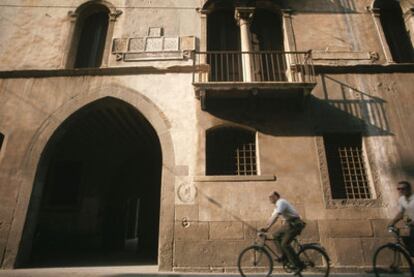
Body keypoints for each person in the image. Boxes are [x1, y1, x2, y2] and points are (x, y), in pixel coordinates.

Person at [261, 191, 306, 272]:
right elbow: (272, 217)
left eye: (271, 196)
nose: (270, 198)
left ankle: (298, 265)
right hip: (289, 224)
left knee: (285, 244)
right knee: (275, 235)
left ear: (276, 196)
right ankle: (284, 256)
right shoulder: (277, 206)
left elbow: (277, 215)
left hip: (295, 224)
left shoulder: (281, 202)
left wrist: (267, 228)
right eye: (269, 197)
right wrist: (264, 227)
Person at [388, 181, 414, 254]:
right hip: (411, 226)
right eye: (398, 189)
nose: (400, 191)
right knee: (408, 244)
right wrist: (392, 223)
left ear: (409, 189)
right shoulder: (401, 200)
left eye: (403, 188)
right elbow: (402, 213)